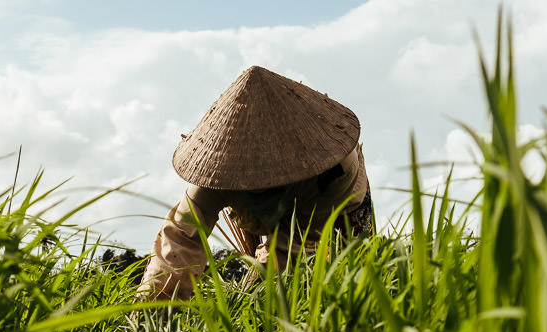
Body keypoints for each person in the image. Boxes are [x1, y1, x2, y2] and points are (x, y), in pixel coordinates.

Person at [139, 65, 374, 300]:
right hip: (256, 207)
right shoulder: (214, 174)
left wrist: (246, 302)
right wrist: (155, 308)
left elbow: (290, 251)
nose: (258, 177)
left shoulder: (334, 169)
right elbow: (179, 239)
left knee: (349, 276)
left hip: (326, 202)